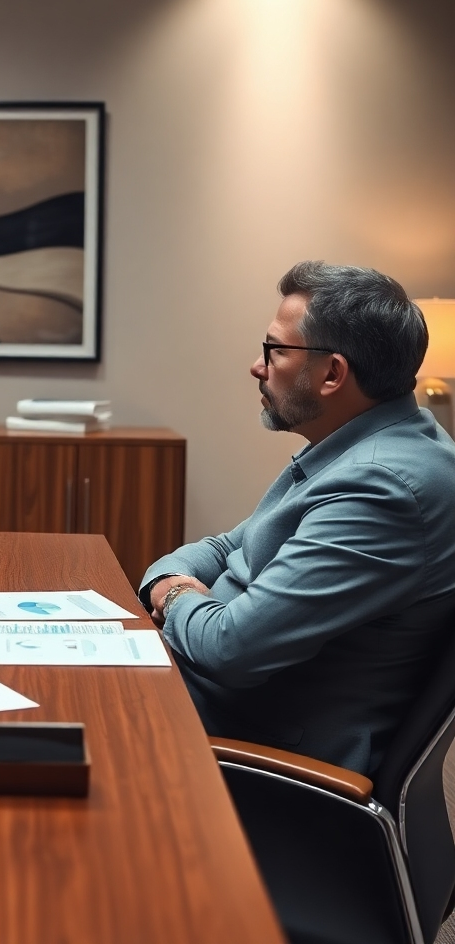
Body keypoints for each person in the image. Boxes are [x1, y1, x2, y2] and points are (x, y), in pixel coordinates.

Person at [140, 261, 455, 777]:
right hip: (209, 701)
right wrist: (169, 578)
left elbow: (229, 648)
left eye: (276, 350)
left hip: (259, 750)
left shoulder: (382, 487)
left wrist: (173, 592)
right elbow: (225, 548)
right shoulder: (358, 449)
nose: (257, 366)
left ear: (332, 373)